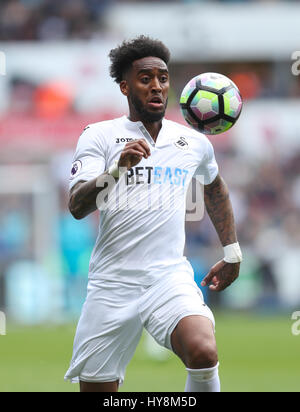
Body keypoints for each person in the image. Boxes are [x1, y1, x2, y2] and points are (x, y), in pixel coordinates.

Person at [64, 35, 242, 392]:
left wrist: (232, 250)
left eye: (163, 77)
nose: (157, 86)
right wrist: (116, 170)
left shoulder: (193, 141)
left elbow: (214, 186)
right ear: (125, 86)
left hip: (167, 276)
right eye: (146, 79)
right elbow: (77, 206)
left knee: (203, 351)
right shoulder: (99, 135)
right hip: (112, 283)